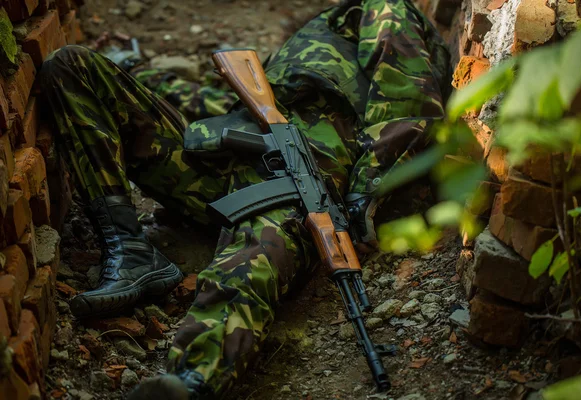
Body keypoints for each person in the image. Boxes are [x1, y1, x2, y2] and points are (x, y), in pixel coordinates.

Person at [39, 0, 451, 398]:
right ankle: (130, 251)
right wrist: (148, 79)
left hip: (299, 182)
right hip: (227, 157)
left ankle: (192, 380)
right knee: (71, 65)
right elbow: (238, 104)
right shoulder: (320, 31)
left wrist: (364, 194)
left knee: (255, 261)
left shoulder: (387, 9)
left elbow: (408, 103)